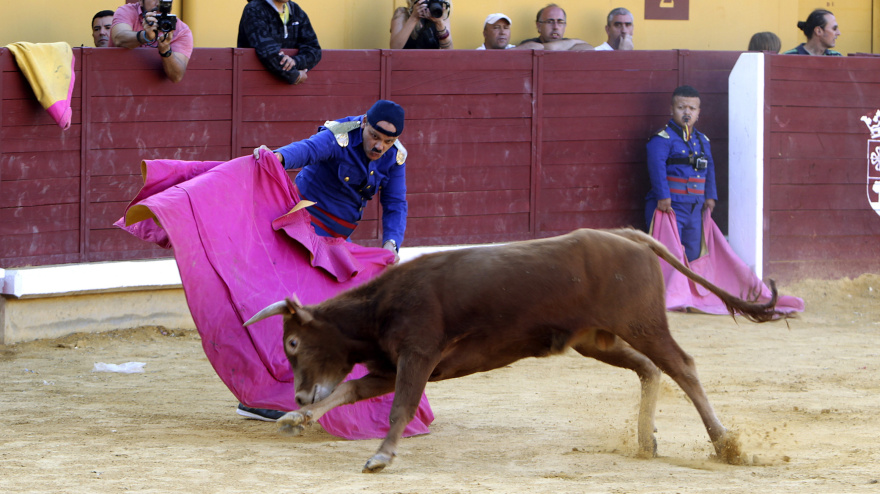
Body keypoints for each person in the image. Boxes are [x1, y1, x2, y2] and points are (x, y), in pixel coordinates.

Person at [239, 100, 408, 421]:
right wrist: (278, 157)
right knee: (297, 313)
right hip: (302, 232)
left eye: (387, 141)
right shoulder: (341, 136)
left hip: (336, 244)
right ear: (364, 124)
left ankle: (314, 390)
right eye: (375, 136)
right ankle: (260, 396)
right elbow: (307, 150)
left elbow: (396, 202)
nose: (379, 146)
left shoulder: (395, 157)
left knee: (324, 316)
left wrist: (391, 244)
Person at [645, 85, 717, 262]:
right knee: (668, 253)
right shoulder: (662, 139)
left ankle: (687, 290)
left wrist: (710, 196)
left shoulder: (702, 140)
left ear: (698, 112)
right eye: (681, 107)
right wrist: (663, 196)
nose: (687, 112)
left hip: (695, 207)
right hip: (670, 206)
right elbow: (657, 167)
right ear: (671, 110)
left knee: (693, 252)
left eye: (692, 108)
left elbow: (710, 168)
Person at [237, 0, 322, 86]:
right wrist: (295, 75)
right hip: (256, 86)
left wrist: (295, 61)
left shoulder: (296, 10)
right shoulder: (254, 9)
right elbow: (267, 51)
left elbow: (314, 49)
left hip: (285, 90)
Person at [111, 0, 194, 83]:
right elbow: (119, 38)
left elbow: (176, 76)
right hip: (117, 81)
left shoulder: (181, 30)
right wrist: (145, 36)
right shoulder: (128, 11)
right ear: (141, 1)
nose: (159, 3)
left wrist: (165, 50)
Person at [517, 4, 592, 51]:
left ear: (565, 26)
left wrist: (572, 42)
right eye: (550, 21)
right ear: (539, 26)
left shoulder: (570, 43)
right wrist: (574, 42)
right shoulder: (528, 43)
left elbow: (589, 48)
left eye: (560, 22)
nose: (555, 27)